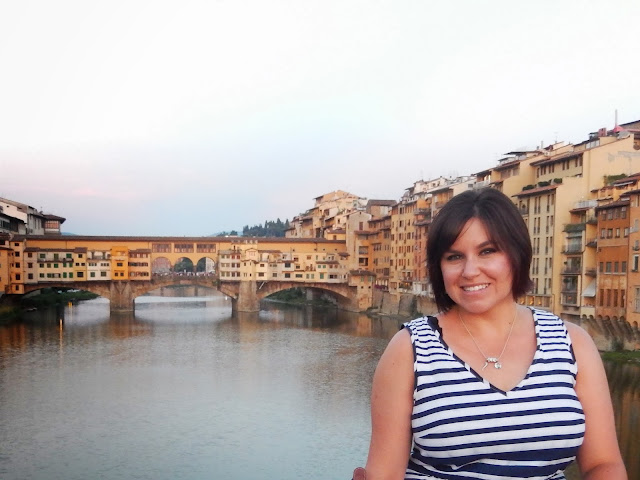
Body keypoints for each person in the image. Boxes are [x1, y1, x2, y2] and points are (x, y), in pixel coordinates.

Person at [356, 188, 626, 480]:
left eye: (487, 251)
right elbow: (385, 473)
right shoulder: (411, 348)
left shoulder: (572, 343)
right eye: (454, 256)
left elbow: (603, 463)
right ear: (439, 268)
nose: (470, 271)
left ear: (516, 254)